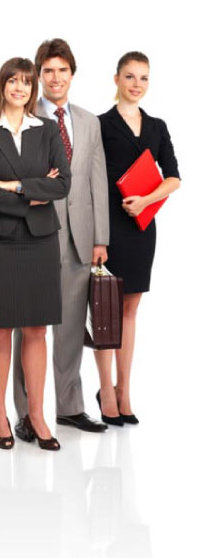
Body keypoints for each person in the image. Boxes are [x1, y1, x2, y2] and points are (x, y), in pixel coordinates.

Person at [0, 57, 72, 451]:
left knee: (36, 329)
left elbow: (62, 182)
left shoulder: (45, 130)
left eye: (26, 83)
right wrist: (32, 192)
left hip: (41, 241)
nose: (20, 88)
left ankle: (37, 415)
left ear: (32, 90)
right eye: (13, 81)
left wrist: (12, 186)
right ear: (2, 86)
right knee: (0, 329)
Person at [12, 39, 109, 434]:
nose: (55, 78)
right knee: (27, 325)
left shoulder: (89, 122)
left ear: (72, 74)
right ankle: (25, 412)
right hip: (31, 234)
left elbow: (96, 181)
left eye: (62, 70)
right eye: (47, 71)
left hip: (78, 237)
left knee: (70, 328)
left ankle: (69, 406)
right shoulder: (20, 115)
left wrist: (100, 237)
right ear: (38, 75)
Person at [94, 51, 180, 425]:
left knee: (130, 311)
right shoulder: (100, 124)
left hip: (142, 225)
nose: (136, 84)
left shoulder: (157, 126)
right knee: (104, 312)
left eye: (143, 78)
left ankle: (124, 390)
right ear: (116, 80)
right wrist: (97, 234)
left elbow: (174, 177)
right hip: (108, 227)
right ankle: (105, 390)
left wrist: (146, 199)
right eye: (129, 76)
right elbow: (91, 181)